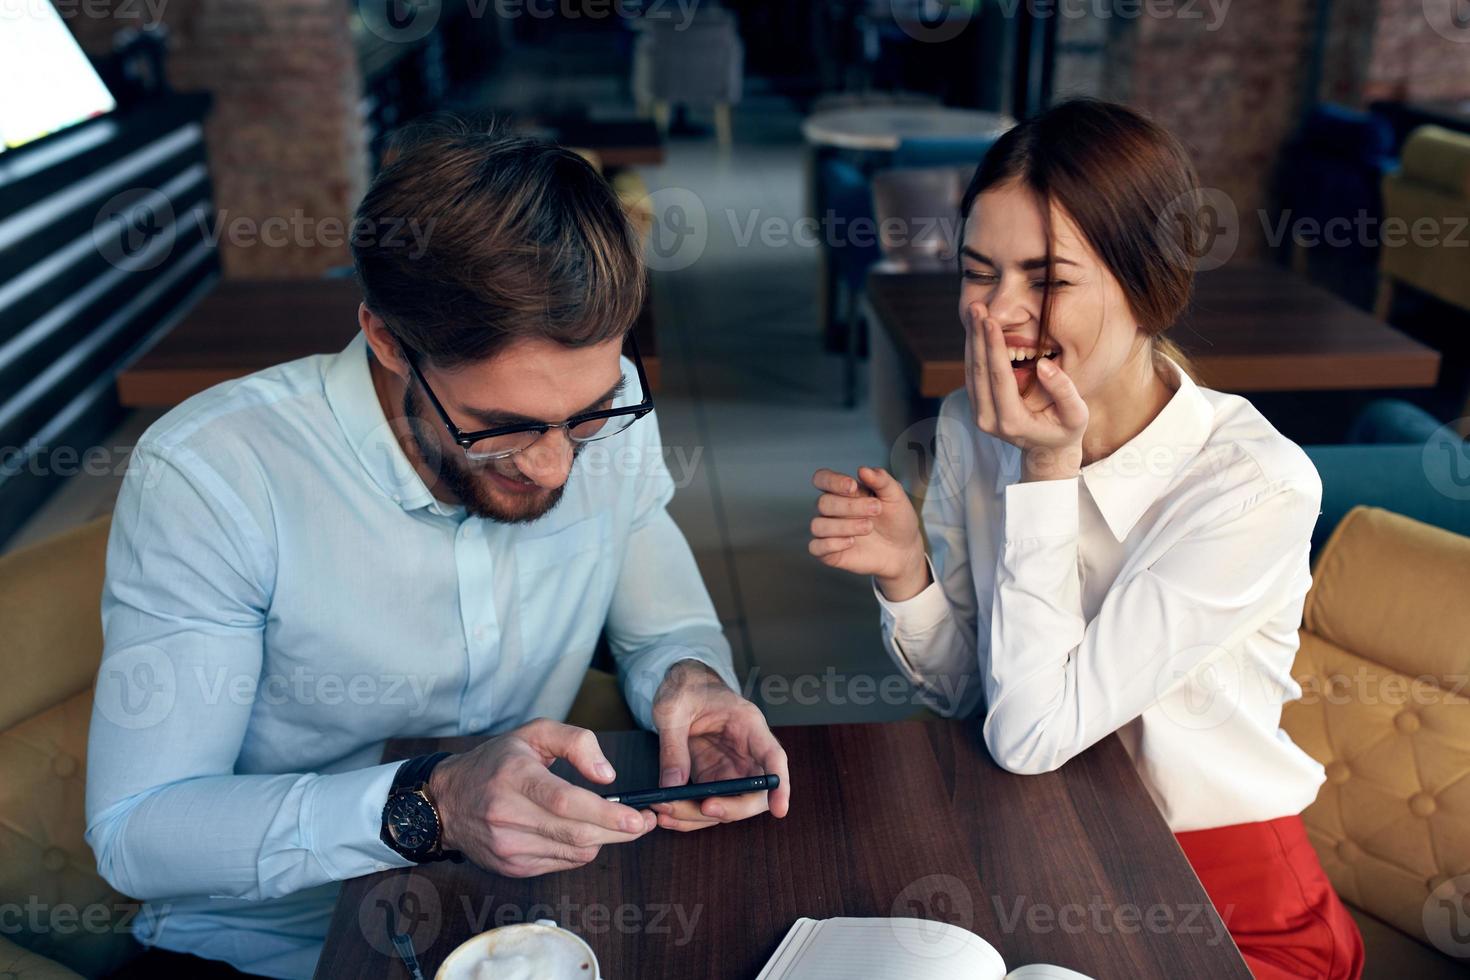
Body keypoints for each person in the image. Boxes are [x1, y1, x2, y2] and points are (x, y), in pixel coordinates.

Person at [86, 119, 789, 980]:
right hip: (273, 952)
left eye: (591, 413)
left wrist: (692, 683)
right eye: (501, 428)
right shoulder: (214, 475)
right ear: (386, 339)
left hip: (532, 924)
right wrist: (433, 807)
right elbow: (138, 832)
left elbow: (661, 627)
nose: (556, 461)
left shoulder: (598, 406)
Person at [808, 98, 1363, 980]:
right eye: (978, 272)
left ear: (1148, 285)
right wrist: (909, 576)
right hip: (1048, 848)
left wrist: (1046, 475)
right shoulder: (970, 425)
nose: (1000, 313)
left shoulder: (1252, 485)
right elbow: (978, 700)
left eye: (1048, 279)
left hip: (1229, 903)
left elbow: (1032, 733)